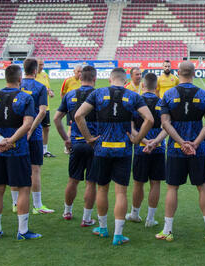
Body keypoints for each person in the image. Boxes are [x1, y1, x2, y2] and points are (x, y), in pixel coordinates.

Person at [73, 67, 154, 245]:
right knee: (121, 192)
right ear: (125, 81)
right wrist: (137, 139)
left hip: (102, 149)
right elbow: (150, 119)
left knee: (102, 189)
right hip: (123, 150)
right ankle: (118, 234)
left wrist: (88, 138)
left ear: (110, 79)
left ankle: (103, 228)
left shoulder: (98, 93)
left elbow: (78, 115)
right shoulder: (133, 95)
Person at [157, 61, 205, 242]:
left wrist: (181, 142)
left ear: (178, 73)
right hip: (198, 150)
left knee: (172, 188)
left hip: (175, 149)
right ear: (194, 73)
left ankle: (167, 230)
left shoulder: (168, 94)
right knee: (202, 187)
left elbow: (165, 123)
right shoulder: (203, 94)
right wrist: (195, 144)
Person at [0, 64, 40, 240]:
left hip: (0, 151)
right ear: (20, 79)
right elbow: (28, 124)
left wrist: (0, 140)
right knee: (24, 188)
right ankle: (22, 231)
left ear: (6, 78)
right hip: (19, 150)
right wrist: (11, 141)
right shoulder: (25, 97)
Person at [53, 64, 99, 226]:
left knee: (73, 180)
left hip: (76, 143)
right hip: (94, 144)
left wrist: (66, 139)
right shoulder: (99, 94)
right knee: (91, 182)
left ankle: (67, 211)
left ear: (80, 78)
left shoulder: (70, 94)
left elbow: (56, 119)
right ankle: (86, 218)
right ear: (95, 78)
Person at [127, 72, 166, 226]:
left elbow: (130, 128)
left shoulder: (135, 101)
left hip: (140, 148)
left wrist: (143, 141)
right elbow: (167, 127)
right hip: (158, 148)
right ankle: (150, 218)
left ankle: (135, 214)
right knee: (155, 183)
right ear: (156, 86)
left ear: (143, 85)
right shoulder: (162, 103)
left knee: (138, 183)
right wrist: (154, 142)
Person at [20, 58, 54, 213]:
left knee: (19, 166)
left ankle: (15, 203)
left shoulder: (18, 85)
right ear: (35, 71)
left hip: (17, 131)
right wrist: (31, 129)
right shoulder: (40, 87)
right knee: (35, 168)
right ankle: (37, 205)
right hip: (33, 133)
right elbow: (42, 111)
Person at [36, 59, 55, 158]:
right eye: (40, 65)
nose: (42, 67)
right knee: (34, 128)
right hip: (36, 107)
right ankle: (34, 149)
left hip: (46, 107)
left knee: (46, 128)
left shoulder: (45, 75)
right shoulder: (33, 76)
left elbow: (48, 87)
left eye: (43, 64)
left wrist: (50, 92)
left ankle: (44, 150)